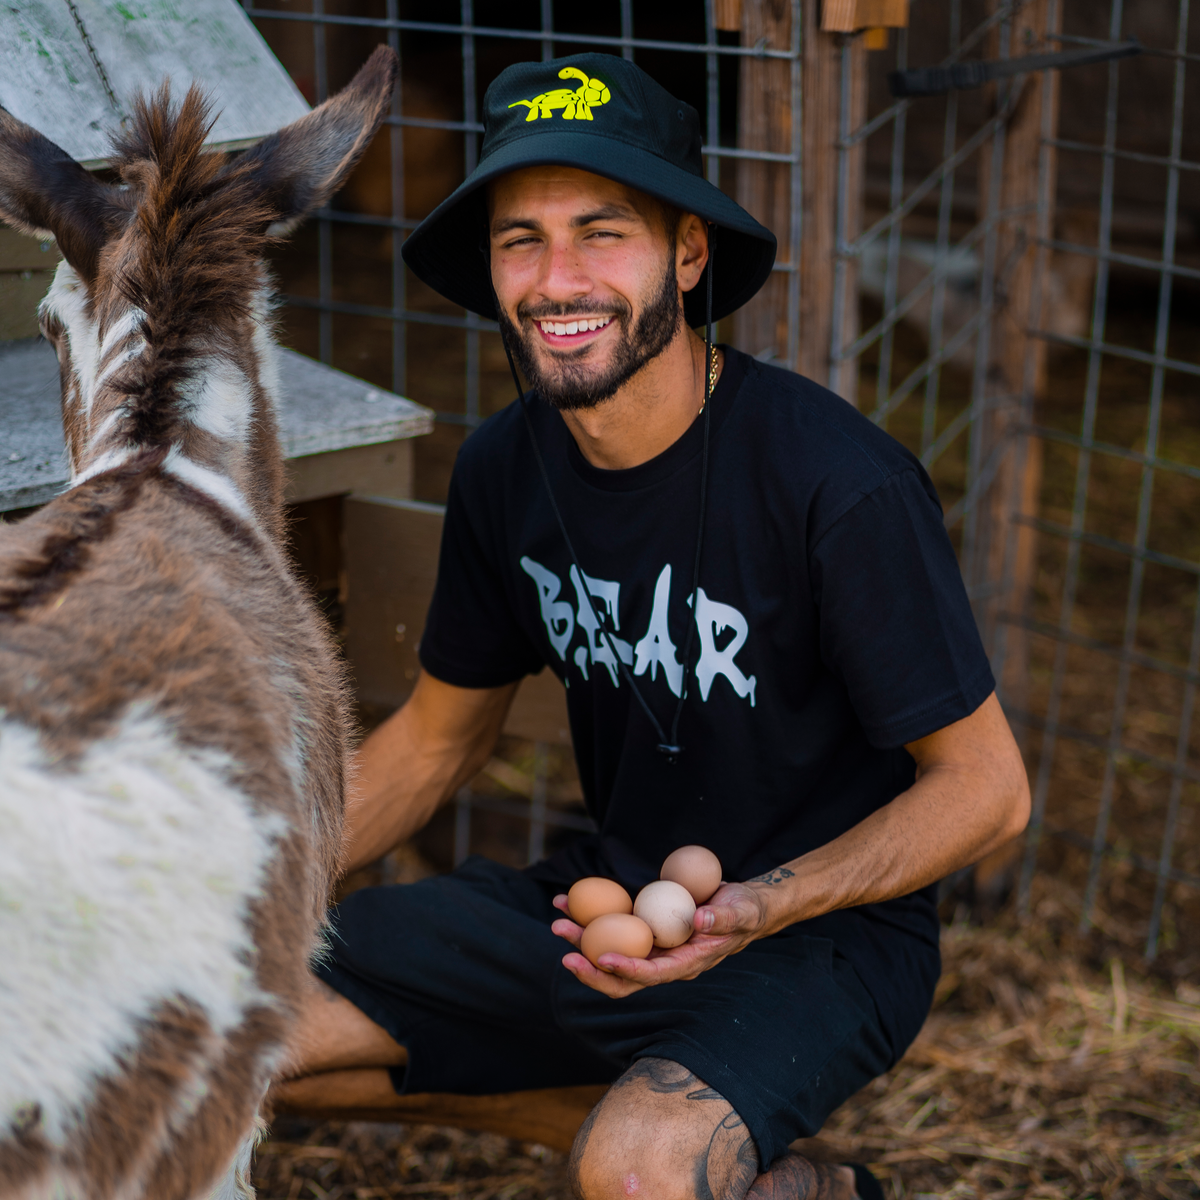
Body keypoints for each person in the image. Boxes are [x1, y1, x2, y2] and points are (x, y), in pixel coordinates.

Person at [273, 52, 1030, 1200]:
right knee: (215, 1045)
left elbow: (988, 789)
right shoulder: (503, 470)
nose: (555, 277)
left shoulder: (836, 485)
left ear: (686, 252)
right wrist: (239, 890)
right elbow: (435, 741)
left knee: (633, 1177)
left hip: (823, 936)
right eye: (519, 238)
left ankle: (671, 1162)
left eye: (602, 232)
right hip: (608, 905)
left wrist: (761, 903)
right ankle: (709, 1167)